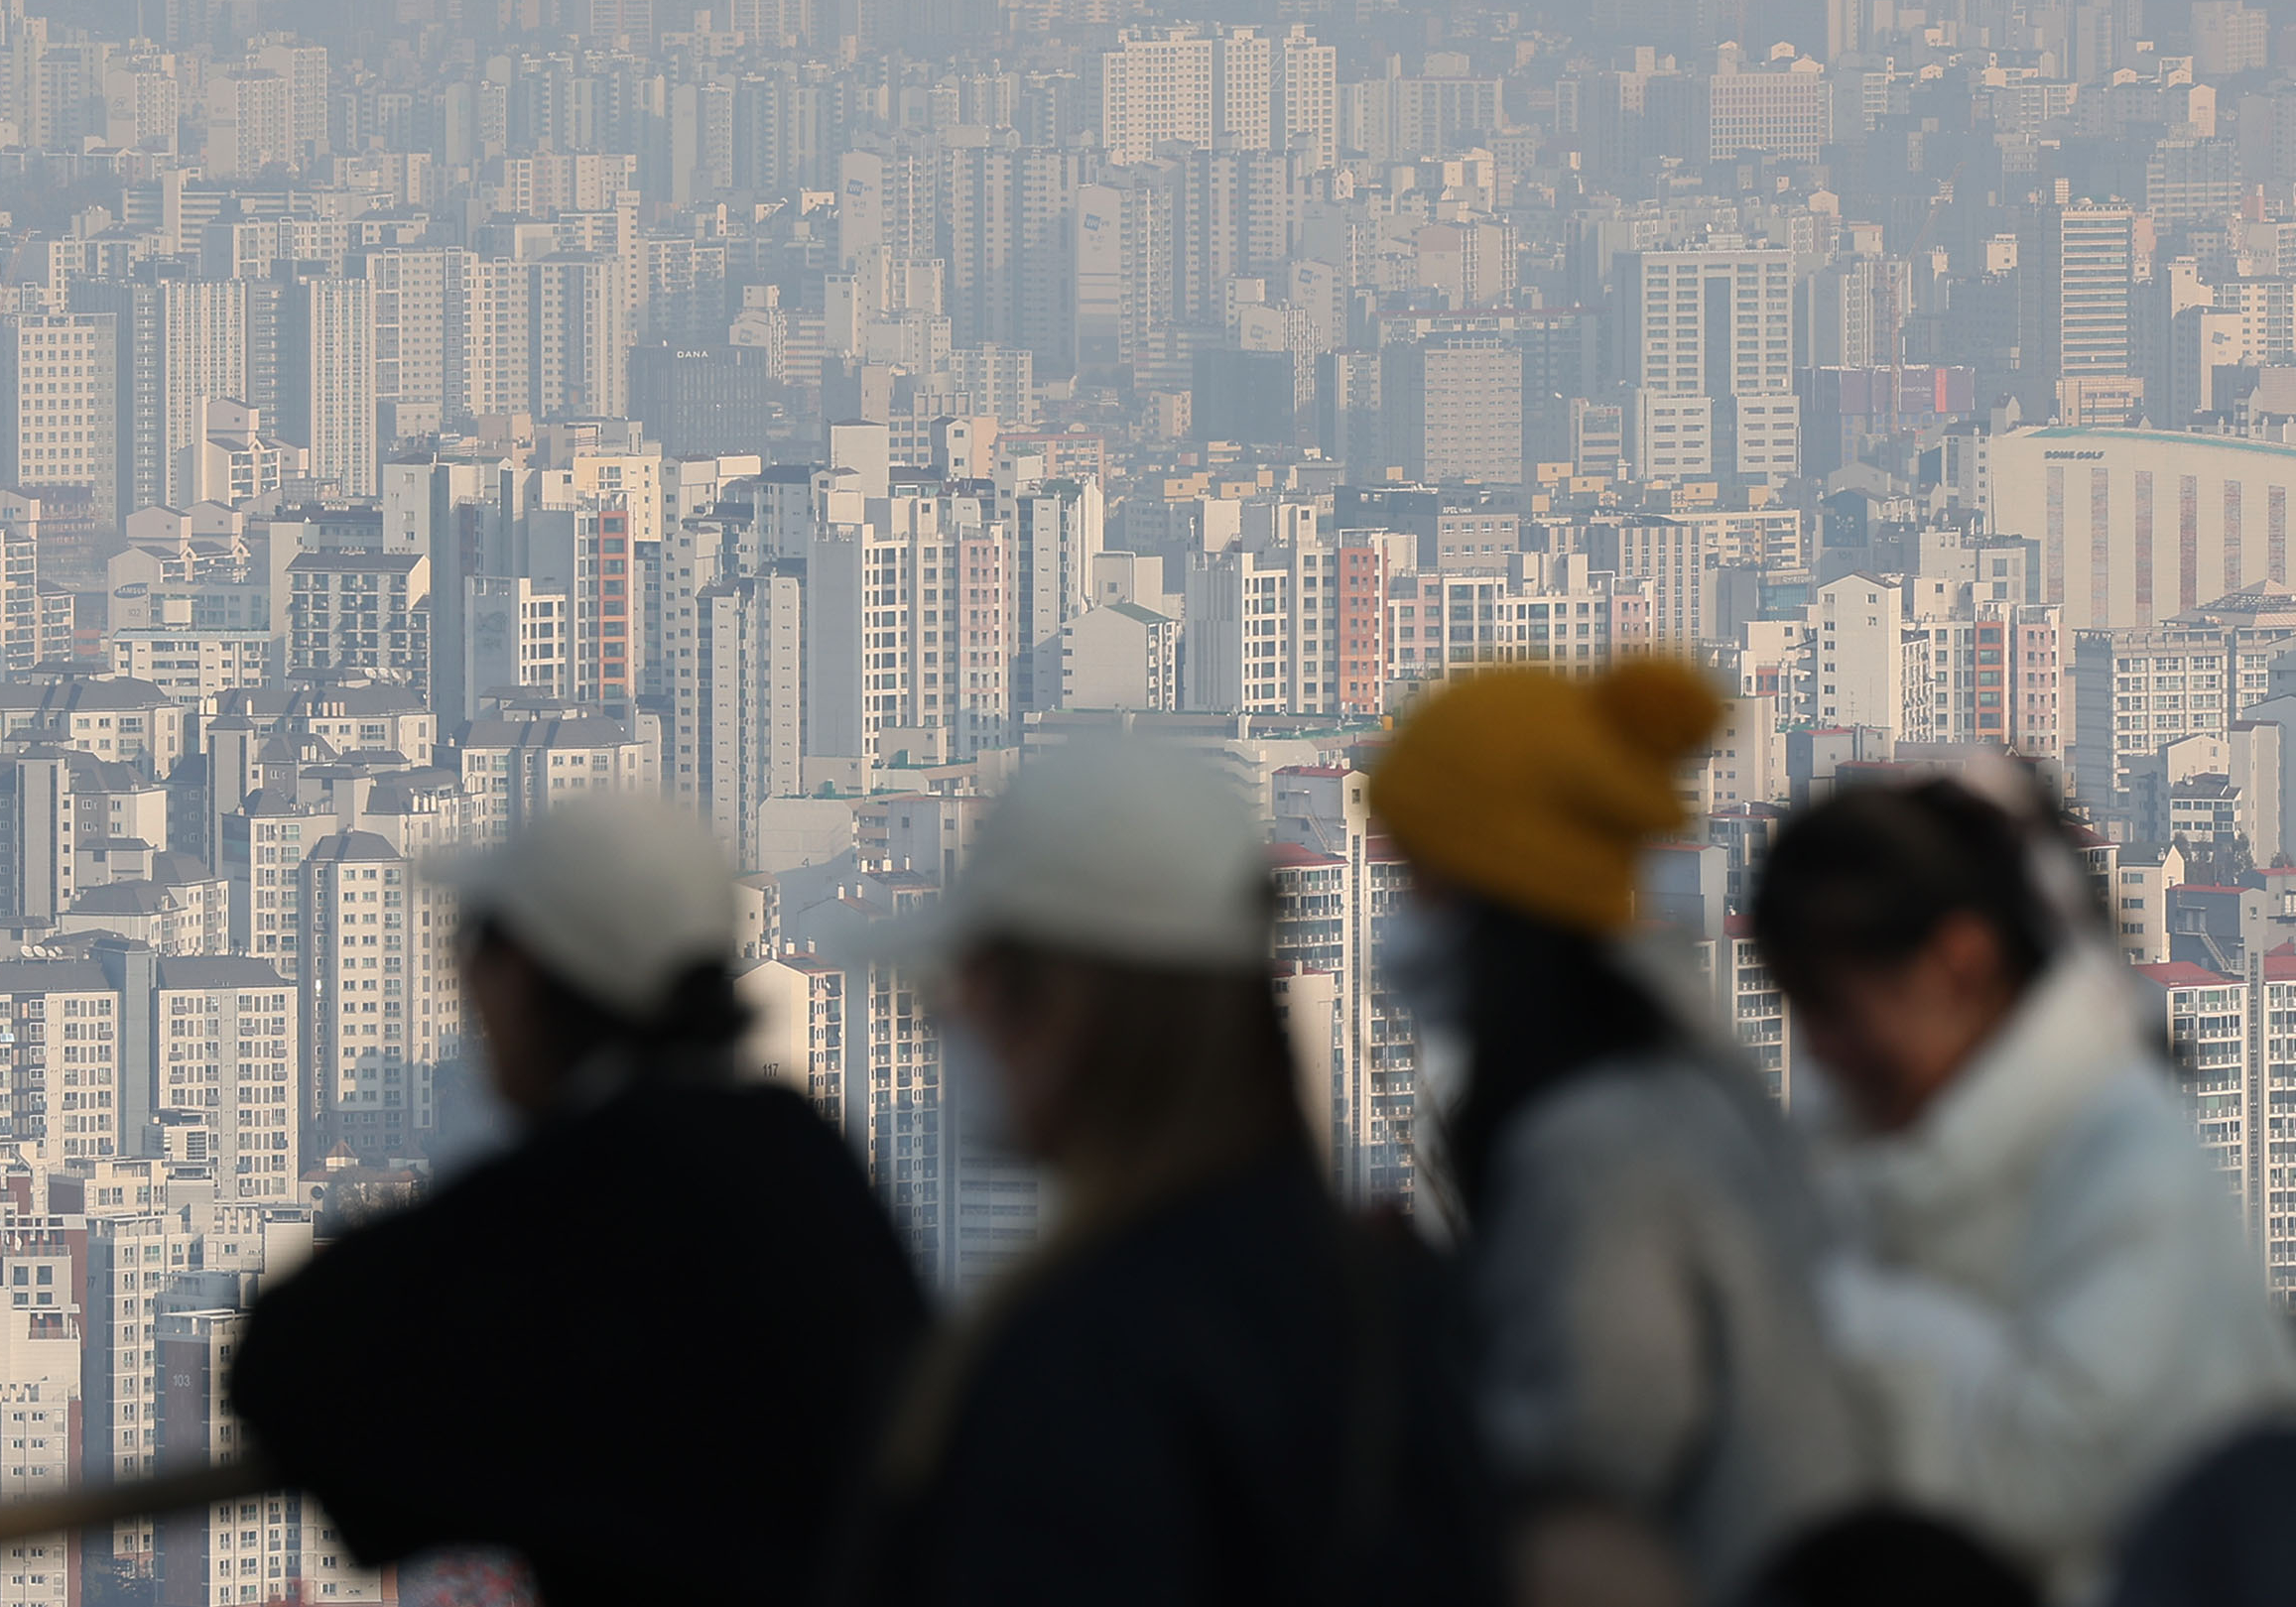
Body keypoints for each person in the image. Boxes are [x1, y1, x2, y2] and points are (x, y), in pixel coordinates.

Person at [838, 738, 1495, 1607]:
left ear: (1066, 1010)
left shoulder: (1079, 1367)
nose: (954, 1013)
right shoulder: (1403, 1305)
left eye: (977, 980)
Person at [229, 793, 927, 1607]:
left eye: (470, 950)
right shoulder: (801, 1146)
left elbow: (285, 1366)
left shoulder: (588, 1190)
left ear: (520, 969)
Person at [1368, 659, 1873, 1607]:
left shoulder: (1600, 1148)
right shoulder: (1686, 1079)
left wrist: (1404, 1333)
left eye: (1416, 872)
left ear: (1492, 883)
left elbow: (1585, 1450)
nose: (1401, 911)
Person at [1748, 770, 2296, 1601]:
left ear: (1960, 962)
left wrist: (1839, 1318)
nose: (1822, 1047)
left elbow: (2055, 1471)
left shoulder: (2130, 1155)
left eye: (1835, 1006)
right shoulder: (1861, 1148)